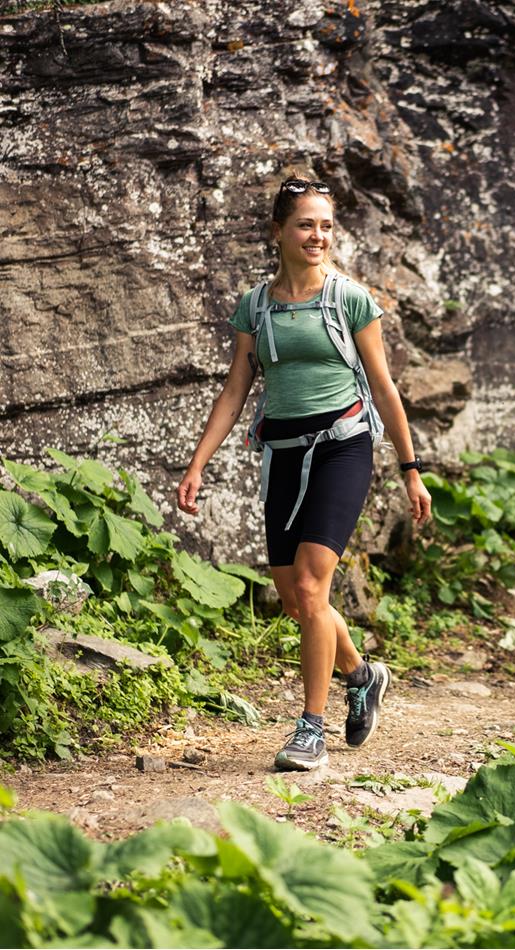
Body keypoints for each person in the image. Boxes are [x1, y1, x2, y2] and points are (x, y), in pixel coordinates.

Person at [177, 174, 432, 770]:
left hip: (344, 447)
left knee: (315, 587)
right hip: (283, 454)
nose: (318, 236)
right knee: (295, 599)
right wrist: (197, 464)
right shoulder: (254, 307)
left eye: (326, 225)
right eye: (305, 224)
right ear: (279, 231)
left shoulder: (350, 300)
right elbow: (236, 390)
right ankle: (363, 674)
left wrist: (410, 469)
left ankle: (310, 730)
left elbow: (384, 388)